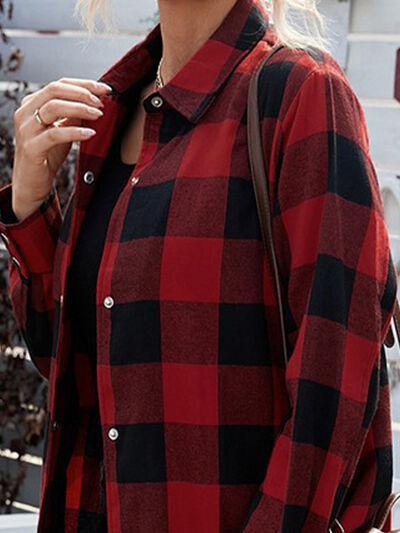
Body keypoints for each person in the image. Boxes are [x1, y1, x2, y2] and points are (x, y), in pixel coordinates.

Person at [0, 0, 397, 531]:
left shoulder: (302, 95)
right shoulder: (111, 111)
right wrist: (29, 204)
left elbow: (335, 382)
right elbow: (72, 367)